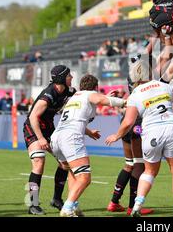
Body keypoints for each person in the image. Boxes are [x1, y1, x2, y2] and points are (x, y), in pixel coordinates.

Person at [105, 59, 173, 217]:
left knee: (149, 171)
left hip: (150, 133)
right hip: (171, 128)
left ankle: (137, 204)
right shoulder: (166, 86)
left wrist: (116, 135)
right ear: (151, 72)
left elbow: (128, 121)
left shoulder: (135, 94)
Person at [50, 74, 126, 217]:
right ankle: (67, 208)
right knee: (85, 178)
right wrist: (125, 102)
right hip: (70, 138)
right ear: (95, 87)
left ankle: (74, 206)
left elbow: (90, 106)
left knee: (73, 173)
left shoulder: (74, 97)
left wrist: (89, 132)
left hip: (57, 138)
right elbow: (100, 99)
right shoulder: (90, 94)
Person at [23, 65, 76, 215]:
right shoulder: (48, 95)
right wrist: (40, 138)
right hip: (33, 128)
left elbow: (83, 96)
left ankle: (56, 200)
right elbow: (33, 117)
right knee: (39, 162)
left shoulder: (69, 91)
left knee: (65, 163)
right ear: (61, 78)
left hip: (49, 128)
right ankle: (32, 204)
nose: (71, 77)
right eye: (69, 75)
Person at [107, 76, 154, 216]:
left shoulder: (133, 81)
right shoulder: (143, 86)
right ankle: (132, 207)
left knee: (129, 164)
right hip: (136, 121)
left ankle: (114, 202)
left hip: (127, 119)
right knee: (139, 164)